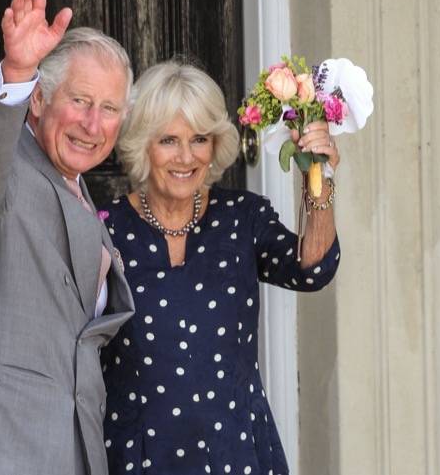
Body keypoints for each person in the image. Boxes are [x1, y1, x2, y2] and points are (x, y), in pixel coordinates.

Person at [0, 0, 135, 475]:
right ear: (37, 101)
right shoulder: (1, 173)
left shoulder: (80, 191)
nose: (93, 124)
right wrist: (17, 70)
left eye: (109, 110)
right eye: (80, 101)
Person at [99, 59, 341, 474]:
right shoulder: (104, 229)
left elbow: (311, 269)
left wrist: (319, 174)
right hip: (138, 457)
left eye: (199, 139)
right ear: (142, 145)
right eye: (168, 141)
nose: (186, 157)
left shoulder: (241, 218)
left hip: (236, 452)